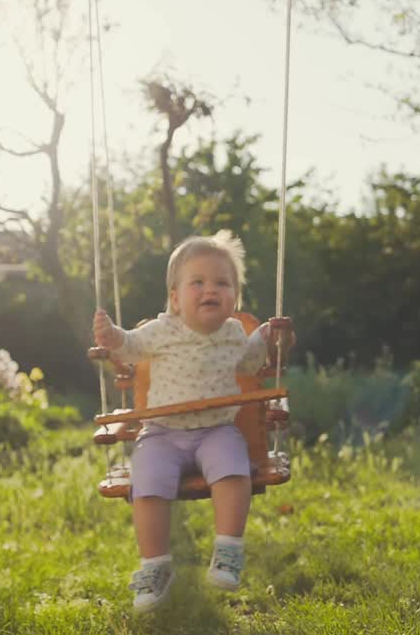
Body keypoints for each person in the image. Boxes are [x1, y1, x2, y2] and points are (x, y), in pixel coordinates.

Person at [92, 229, 294, 613]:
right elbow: (130, 347)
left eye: (222, 283)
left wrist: (266, 337)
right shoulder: (162, 330)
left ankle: (228, 551)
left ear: (234, 296)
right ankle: (155, 566)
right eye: (197, 282)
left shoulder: (234, 332)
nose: (210, 290)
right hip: (161, 434)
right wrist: (111, 335)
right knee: (147, 484)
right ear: (175, 298)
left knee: (235, 473)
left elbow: (251, 363)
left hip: (216, 429)